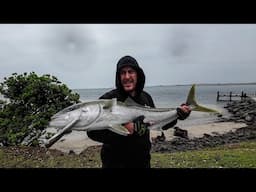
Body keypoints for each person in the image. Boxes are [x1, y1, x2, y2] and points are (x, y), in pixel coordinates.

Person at [87, 55, 191, 168]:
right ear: (118, 76)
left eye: (130, 71)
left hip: (143, 162)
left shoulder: (146, 97)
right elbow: (92, 131)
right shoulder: (108, 100)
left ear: (138, 75)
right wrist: (123, 130)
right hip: (114, 163)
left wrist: (178, 115)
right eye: (122, 73)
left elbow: (160, 123)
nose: (127, 76)